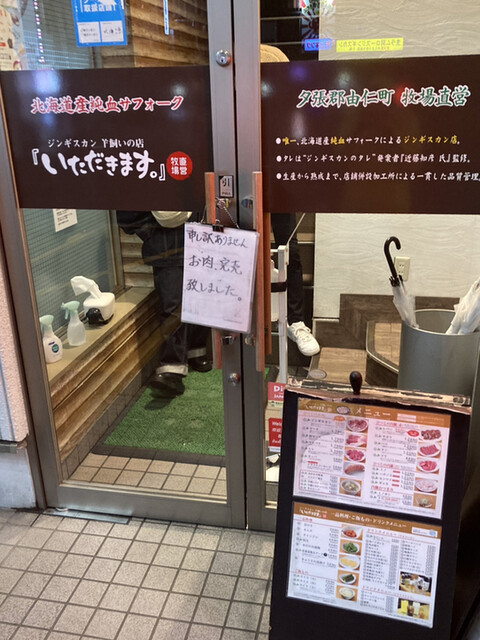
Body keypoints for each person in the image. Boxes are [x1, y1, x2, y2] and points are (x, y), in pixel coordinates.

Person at [116, 209, 211, 397]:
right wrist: (151, 233)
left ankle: (196, 351)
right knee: (172, 307)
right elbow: (126, 212)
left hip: (202, 241)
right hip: (166, 244)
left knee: (201, 299)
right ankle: (172, 368)